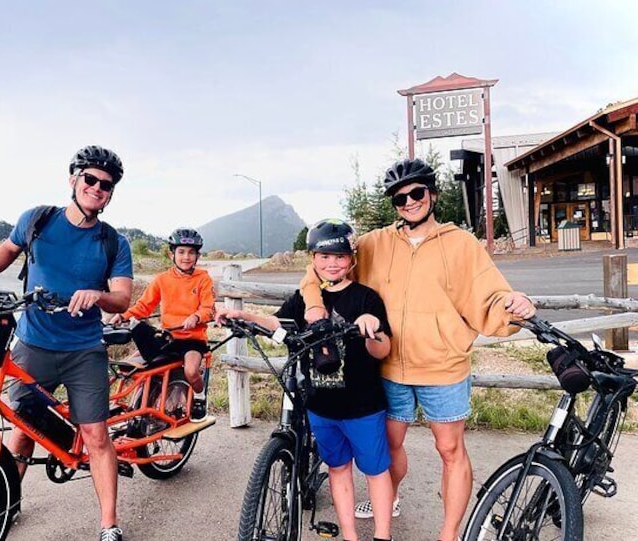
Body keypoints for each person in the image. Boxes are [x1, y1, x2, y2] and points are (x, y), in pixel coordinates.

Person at [299, 159, 536, 541]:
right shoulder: (374, 243)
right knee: (390, 445)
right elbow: (319, 268)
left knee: (450, 448)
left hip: (443, 365)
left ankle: (449, 533)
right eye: (399, 197)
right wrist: (313, 303)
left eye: (416, 193)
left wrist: (514, 304)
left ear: (432, 194)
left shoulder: (461, 244)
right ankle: (387, 500)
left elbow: (491, 295)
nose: (408, 202)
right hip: (390, 366)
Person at [0, 145, 133, 541]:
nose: (97, 188)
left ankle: (108, 524)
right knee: (21, 424)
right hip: (33, 344)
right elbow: (7, 251)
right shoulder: (37, 221)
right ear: (73, 180)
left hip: (84, 349)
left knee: (96, 436)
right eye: (90, 179)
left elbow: (122, 297)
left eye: (107, 185)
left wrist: (97, 296)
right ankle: (5, 509)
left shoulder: (113, 242)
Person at [218, 218, 395, 541]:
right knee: (338, 470)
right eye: (324, 257)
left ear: (351, 260)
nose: (332, 263)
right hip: (321, 406)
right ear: (312, 259)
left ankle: (383, 535)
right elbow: (278, 323)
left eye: (339, 256)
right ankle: (351, 536)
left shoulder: (365, 298)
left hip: (363, 406)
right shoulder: (303, 300)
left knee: (375, 471)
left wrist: (372, 326)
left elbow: (382, 349)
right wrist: (244, 316)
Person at [109, 228, 215, 422]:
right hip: (168, 337)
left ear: (198, 256)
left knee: (191, 371)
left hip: (193, 340)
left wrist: (196, 317)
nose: (186, 257)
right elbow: (143, 306)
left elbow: (209, 308)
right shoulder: (162, 279)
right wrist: (123, 316)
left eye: (191, 253)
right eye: (181, 252)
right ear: (171, 253)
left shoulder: (203, 279)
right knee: (131, 367)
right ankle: (132, 406)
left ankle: (199, 397)